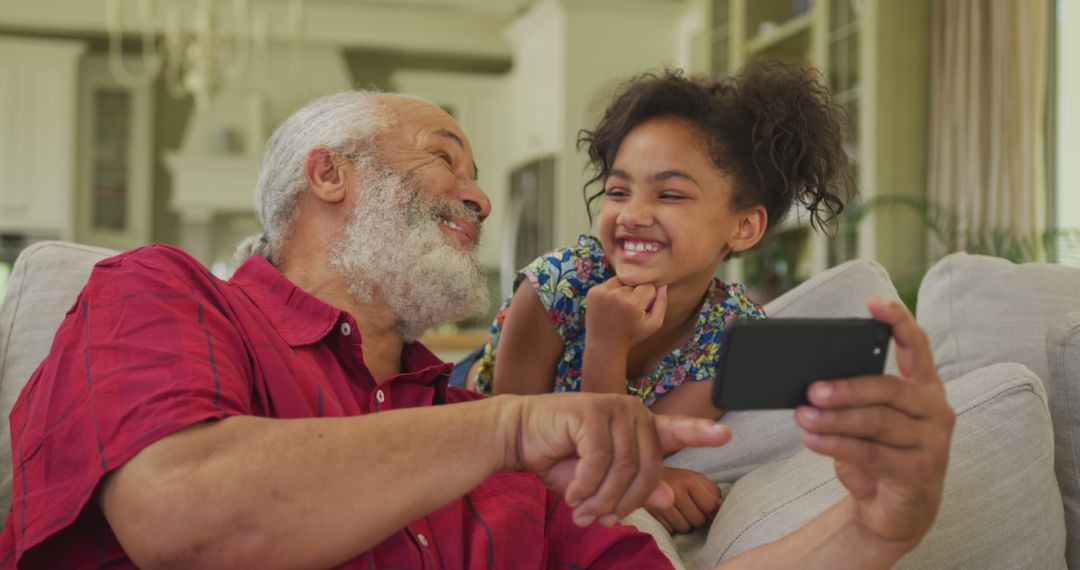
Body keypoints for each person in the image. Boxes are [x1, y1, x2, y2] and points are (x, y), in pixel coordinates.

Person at [0, 89, 954, 569]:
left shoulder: (475, 441)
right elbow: (179, 513)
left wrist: (876, 528)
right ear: (329, 175)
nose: (483, 195)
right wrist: (512, 425)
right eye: (444, 156)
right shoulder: (165, 295)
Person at [470, 61, 853, 533]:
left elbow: (624, 456)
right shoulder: (559, 284)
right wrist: (605, 345)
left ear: (744, 226)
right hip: (475, 411)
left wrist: (645, 471)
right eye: (618, 190)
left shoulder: (731, 338)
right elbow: (509, 446)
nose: (632, 213)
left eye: (669, 194)